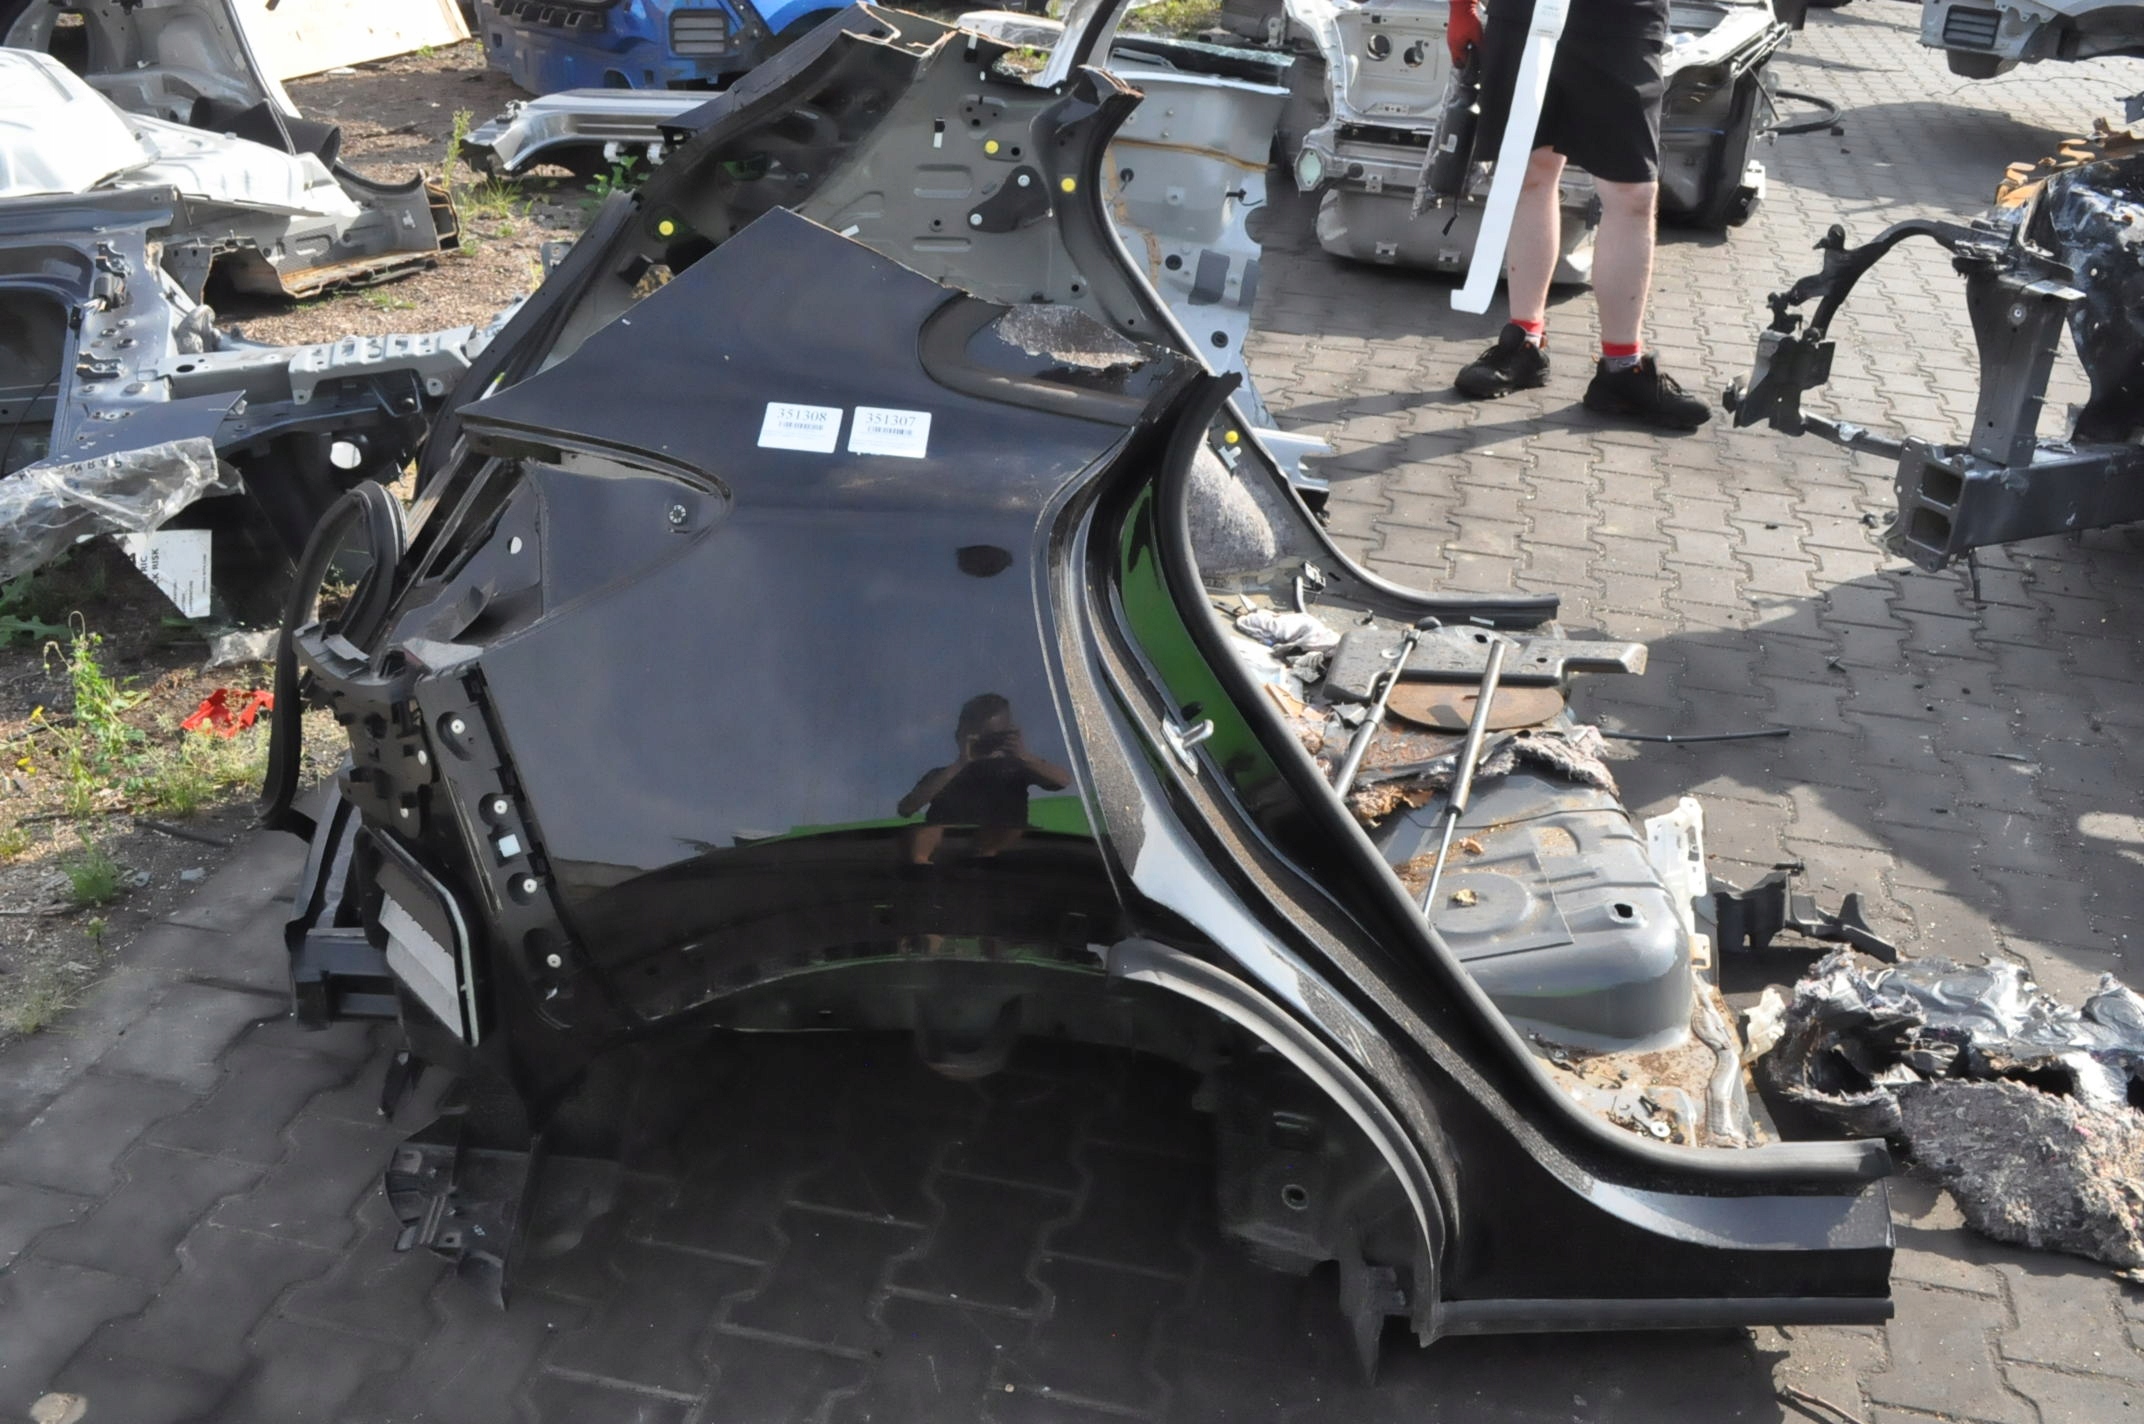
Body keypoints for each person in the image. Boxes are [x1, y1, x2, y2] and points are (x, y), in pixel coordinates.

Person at [1445, 0, 1712, 430]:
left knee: (1633, 192)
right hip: (1525, 14)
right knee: (1529, 172)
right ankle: (1524, 342)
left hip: (1622, 19)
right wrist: (1462, 7)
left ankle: (1622, 369)